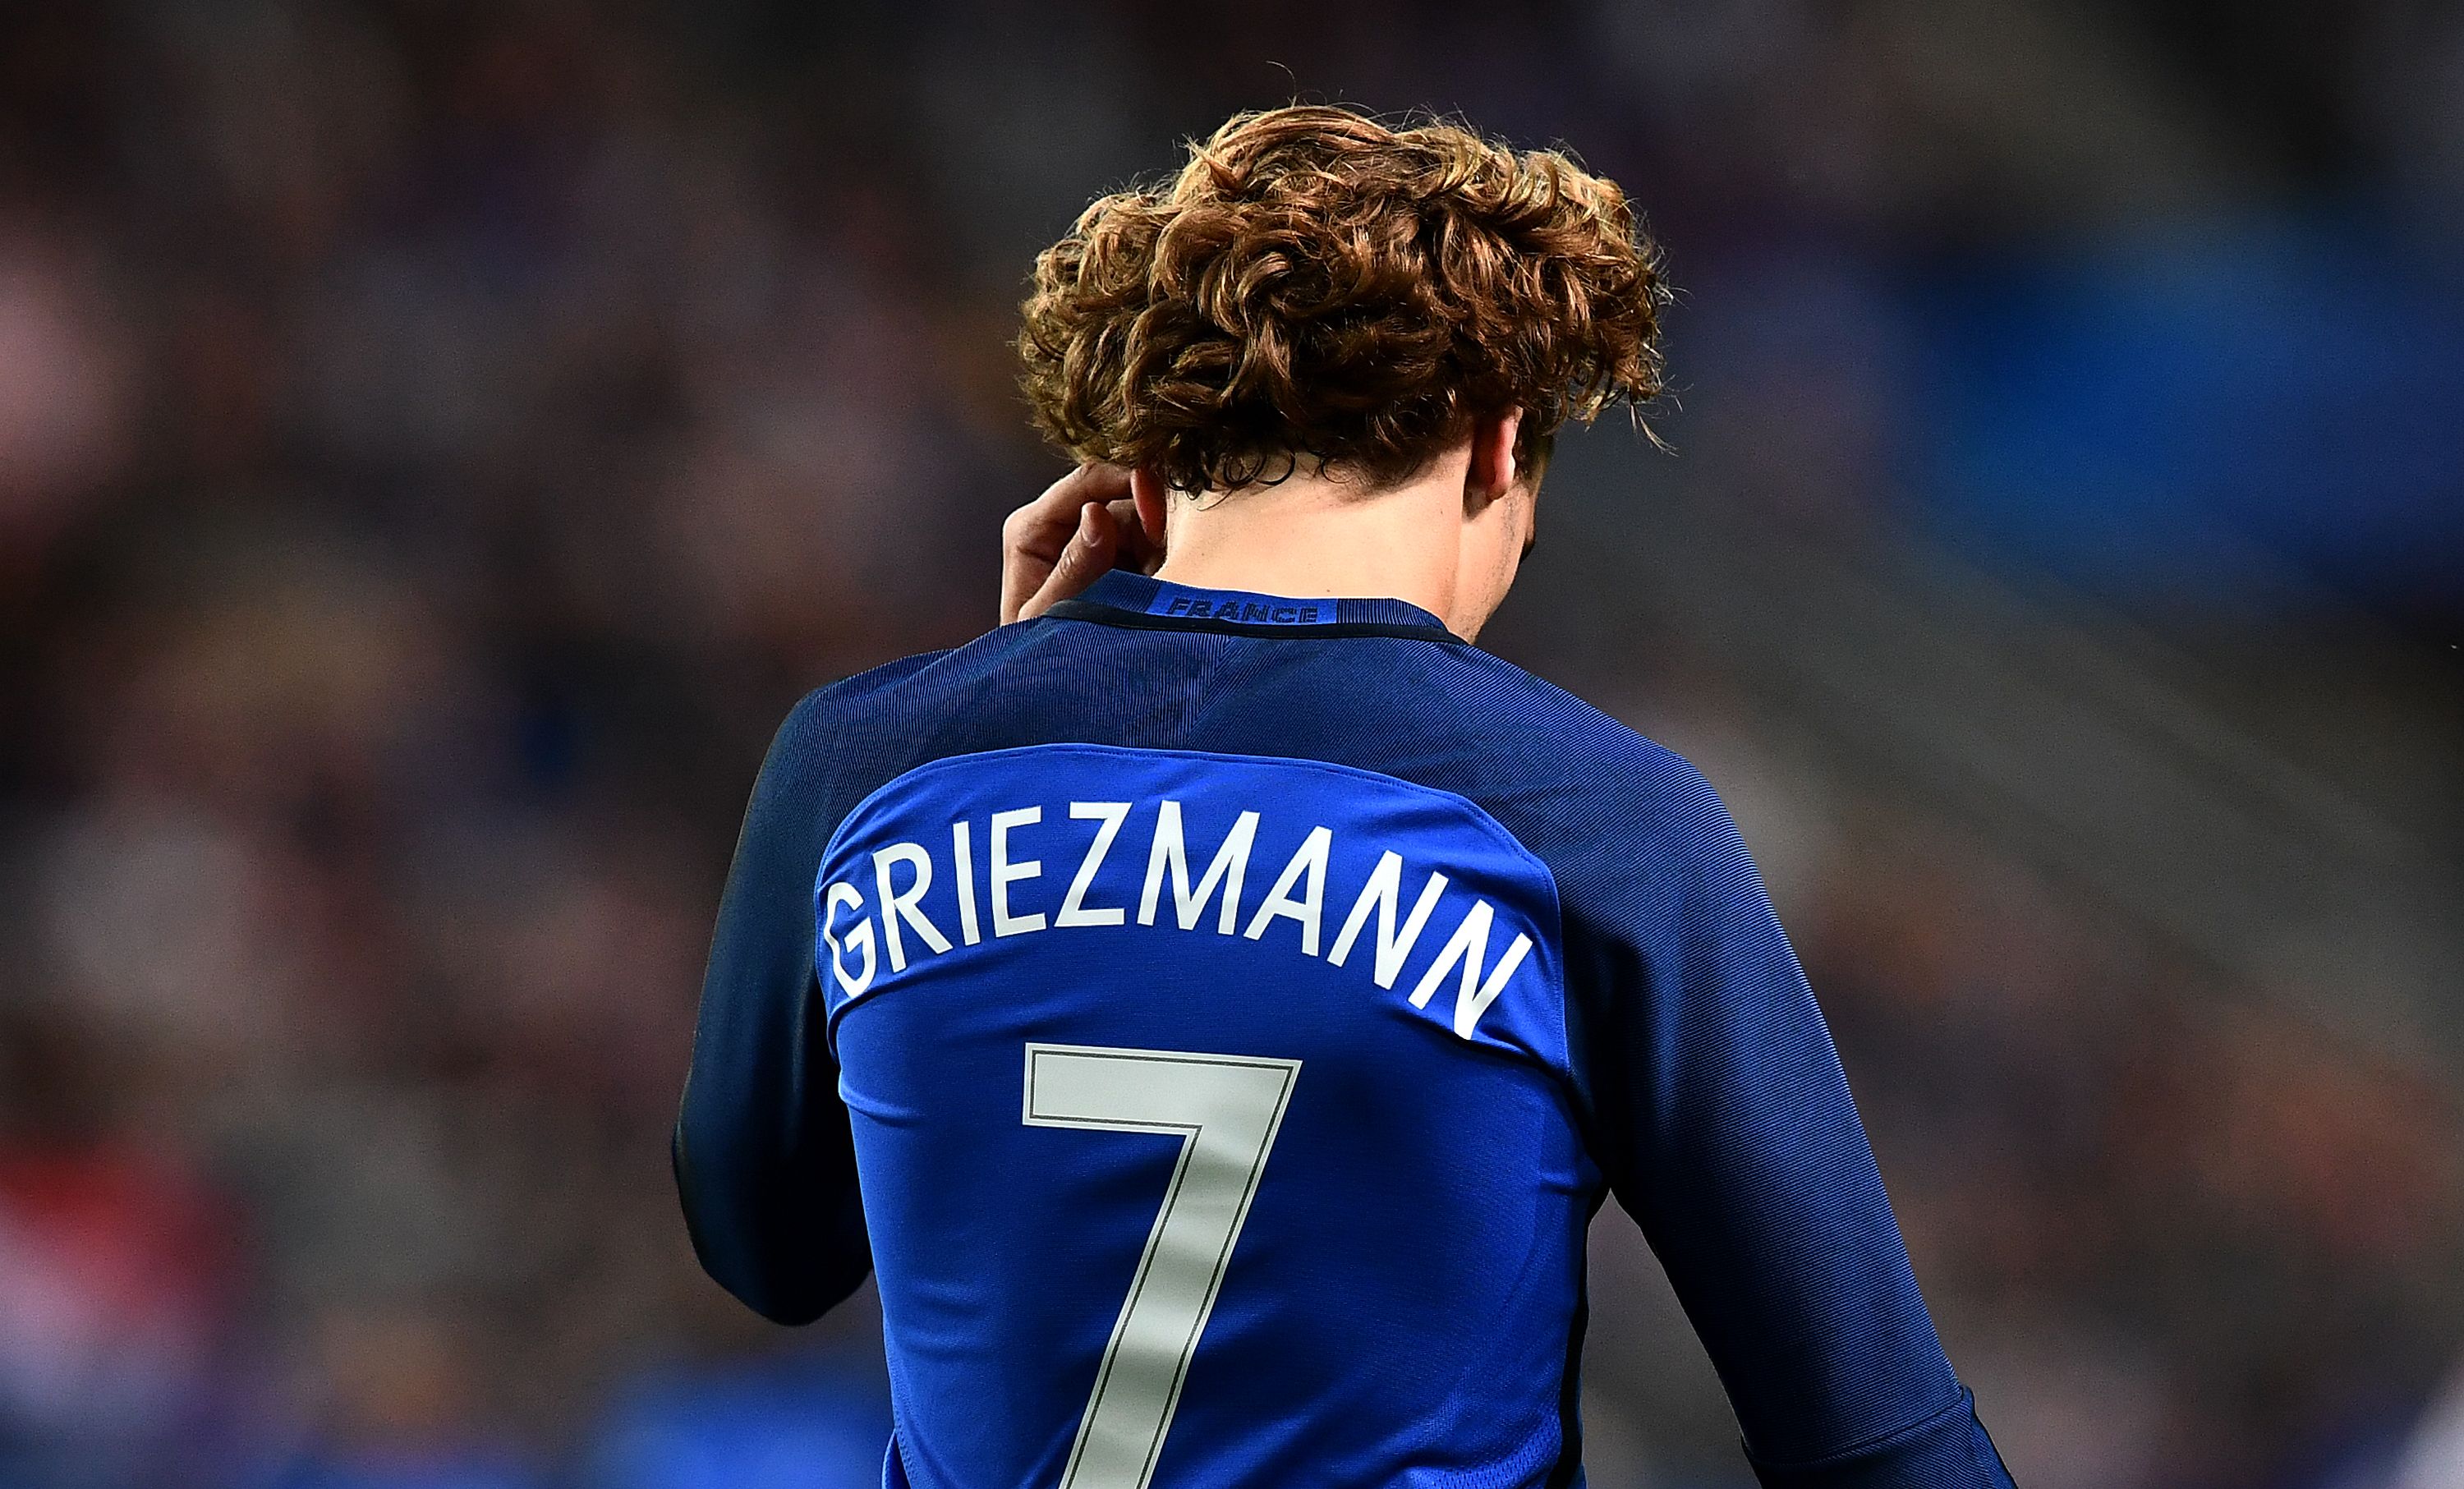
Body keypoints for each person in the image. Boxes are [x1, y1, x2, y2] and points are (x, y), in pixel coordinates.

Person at [675, 104, 2014, 1489]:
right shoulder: (1597, 818)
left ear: (1138, 463)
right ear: (1498, 446)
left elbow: (766, 1252)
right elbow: (1879, 1442)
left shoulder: (859, 762)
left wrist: (1014, 692)